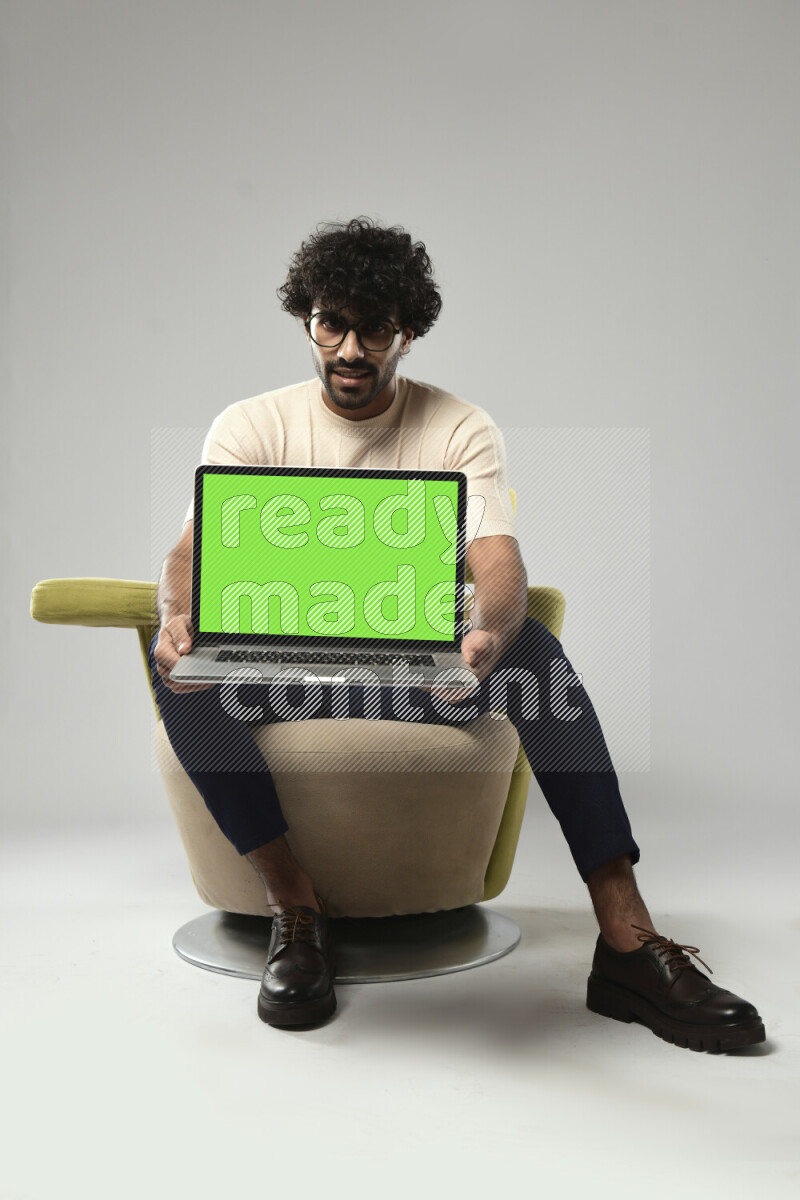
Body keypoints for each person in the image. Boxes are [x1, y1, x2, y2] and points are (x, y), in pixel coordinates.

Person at [150, 217, 764, 1050]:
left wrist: (492, 629)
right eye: (334, 324)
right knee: (181, 674)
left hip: (410, 671)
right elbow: (189, 555)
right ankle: (293, 908)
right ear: (308, 321)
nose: (352, 350)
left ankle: (627, 939)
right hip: (276, 666)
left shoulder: (458, 426)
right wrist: (177, 617)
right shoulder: (251, 424)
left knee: (535, 653)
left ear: (409, 332)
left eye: (377, 329)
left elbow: (500, 564)